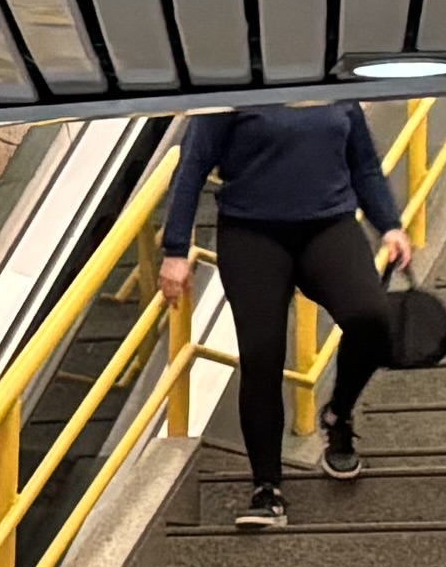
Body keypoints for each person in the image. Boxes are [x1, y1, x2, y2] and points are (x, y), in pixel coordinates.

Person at [156, 100, 409, 534]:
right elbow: (193, 165)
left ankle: (338, 417)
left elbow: (364, 164)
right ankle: (267, 490)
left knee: (371, 317)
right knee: (262, 355)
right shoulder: (236, 84)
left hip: (329, 226)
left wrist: (389, 223)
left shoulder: (334, 85)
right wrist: (176, 250)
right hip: (252, 233)